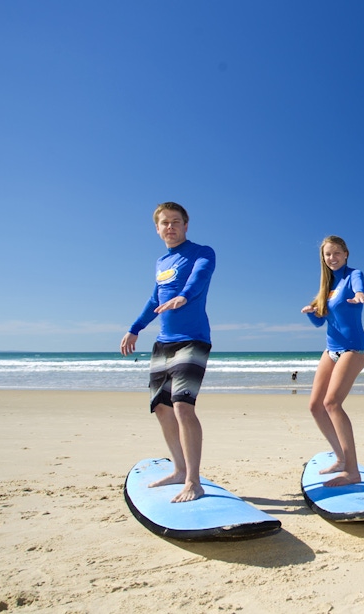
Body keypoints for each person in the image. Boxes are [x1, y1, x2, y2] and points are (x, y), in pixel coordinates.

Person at [120, 202, 216, 503]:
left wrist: (183, 297)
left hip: (193, 339)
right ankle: (178, 469)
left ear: (186, 226)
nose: (171, 226)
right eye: (165, 222)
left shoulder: (202, 252)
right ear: (158, 228)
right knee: (161, 407)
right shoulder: (161, 262)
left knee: (182, 406)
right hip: (163, 342)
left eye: (176, 221)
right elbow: (154, 299)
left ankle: (193, 480)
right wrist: (135, 328)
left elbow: (198, 279)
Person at [301, 236, 364, 487]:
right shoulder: (326, 286)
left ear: (346, 253)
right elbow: (321, 321)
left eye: (336, 253)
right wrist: (311, 313)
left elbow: (359, 284)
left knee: (332, 403)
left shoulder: (353, 276)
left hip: (353, 348)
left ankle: (352, 471)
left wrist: (360, 293)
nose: (332, 258)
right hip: (331, 350)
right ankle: (340, 458)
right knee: (315, 406)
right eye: (328, 254)